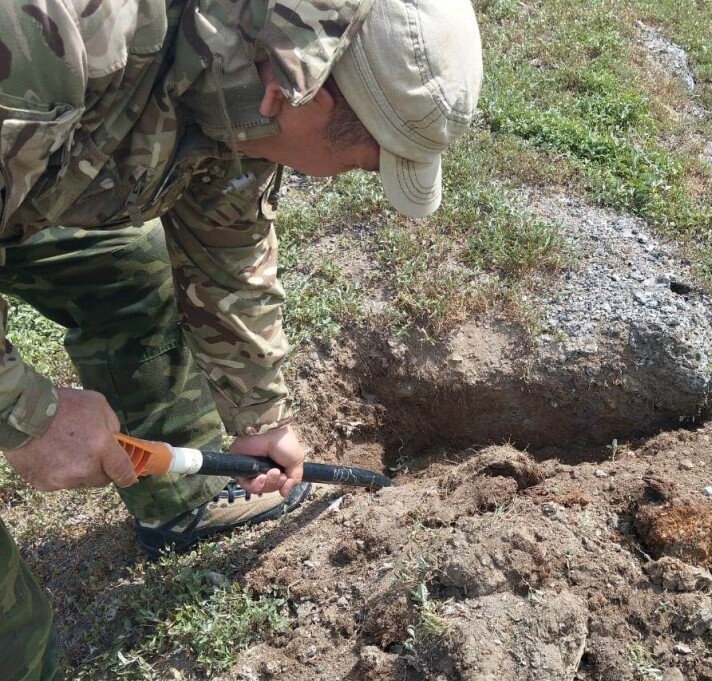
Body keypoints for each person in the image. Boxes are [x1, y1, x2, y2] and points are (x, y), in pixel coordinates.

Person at [0, 0, 483, 675]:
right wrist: (27, 415)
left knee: (126, 271)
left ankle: (177, 508)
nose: (341, 178)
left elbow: (228, 224)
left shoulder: (244, 76)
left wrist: (259, 413)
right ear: (297, 95)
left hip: (23, 172)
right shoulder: (52, 37)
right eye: (357, 162)